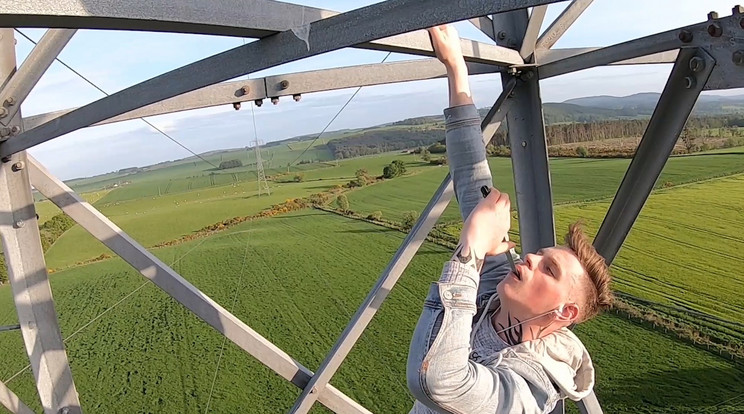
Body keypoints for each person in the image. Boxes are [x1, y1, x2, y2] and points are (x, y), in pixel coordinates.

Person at [406, 25, 614, 414]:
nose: (530, 260)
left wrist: (470, 251)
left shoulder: (528, 390)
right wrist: (456, 69)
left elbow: (436, 381)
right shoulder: (496, 296)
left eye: (549, 270)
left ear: (564, 313)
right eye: (540, 255)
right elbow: (472, 179)